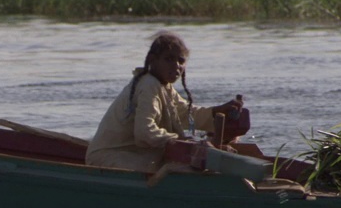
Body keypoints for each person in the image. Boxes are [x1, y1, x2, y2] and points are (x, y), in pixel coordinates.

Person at [85, 31, 243, 173]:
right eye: (169, 59)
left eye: (181, 61)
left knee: (181, 165)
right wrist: (181, 141)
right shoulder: (149, 85)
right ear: (153, 60)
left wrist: (218, 111)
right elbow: (144, 132)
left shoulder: (163, 86)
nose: (176, 66)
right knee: (179, 170)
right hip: (108, 158)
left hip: (132, 155)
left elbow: (186, 113)